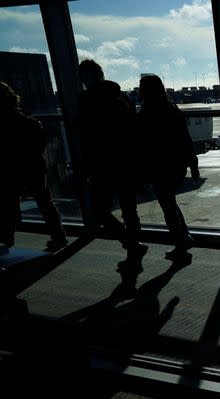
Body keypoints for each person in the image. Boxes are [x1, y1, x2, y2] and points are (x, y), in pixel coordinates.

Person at [77, 59, 147, 269]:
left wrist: (88, 162)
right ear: (102, 74)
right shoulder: (122, 96)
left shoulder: (86, 99)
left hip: (103, 163)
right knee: (129, 209)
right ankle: (133, 246)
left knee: (99, 210)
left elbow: (87, 135)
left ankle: (130, 243)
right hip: (126, 161)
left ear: (84, 78)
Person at [136, 74, 198, 261]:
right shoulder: (172, 108)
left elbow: (143, 143)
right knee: (169, 202)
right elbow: (185, 138)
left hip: (159, 165)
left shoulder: (147, 111)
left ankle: (181, 242)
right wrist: (193, 163)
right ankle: (183, 238)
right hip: (176, 163)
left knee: (167, 204)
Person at [0, 81, 67, 251]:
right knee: (45, 202)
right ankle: (59, 236)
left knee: (9, 204)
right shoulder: (27, 120)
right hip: (33, 166)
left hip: (11, 169)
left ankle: (7, 239)